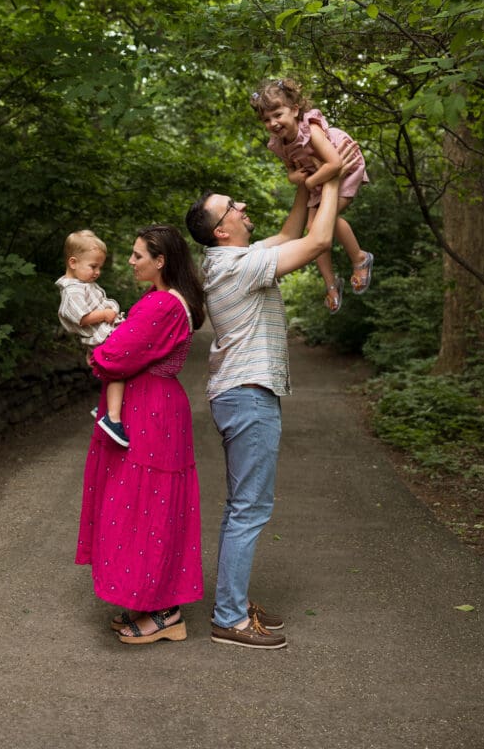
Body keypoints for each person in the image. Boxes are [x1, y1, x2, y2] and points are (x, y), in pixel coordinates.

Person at [185, 144, 358, 649]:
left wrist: (305, 187)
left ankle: (231, 603)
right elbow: (318, 240)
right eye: (232, 206)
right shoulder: (235, 267)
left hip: (242, 394)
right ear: (220, 229)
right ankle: (229, 618)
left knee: (243, 506)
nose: (241, 207)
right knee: (249, 509)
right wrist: (333, 177)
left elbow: (288, 234)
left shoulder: (232, 257)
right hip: (247, 396)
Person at [75, 224, 206, 645]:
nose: (129, 262)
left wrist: (99, 350)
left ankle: (166, 612)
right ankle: (148, 600)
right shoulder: (162, 300)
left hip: (152, 411)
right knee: (140, 505)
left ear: (161, 260)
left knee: (148, 507)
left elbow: (112, 355)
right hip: (151, 406)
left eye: (137, 255)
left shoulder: (163, 305)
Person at [251, 77, 373, 313]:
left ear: (295, 109)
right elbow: (291, 169)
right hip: (320, 176)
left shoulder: (311, 129)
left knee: (324, 222)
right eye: (266, 119)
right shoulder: (279, 143)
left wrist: (309, 181)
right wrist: (294, 178)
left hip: (344, 167)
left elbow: (335, 163)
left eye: (278, 114)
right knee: (312, 231)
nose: (273, 123)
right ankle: (331, 284)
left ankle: (359, 257)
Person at [55, 230, 128, 447]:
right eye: (93, 266)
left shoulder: (84, 284)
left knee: (119, 369)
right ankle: (112, 417)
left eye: (100, 267)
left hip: (104, 335)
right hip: (103, 337)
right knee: (118, 371)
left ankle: (106, 407)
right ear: (73, 262)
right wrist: (105, 314)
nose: (97, 272)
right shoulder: (72, 291)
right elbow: (81, 317)